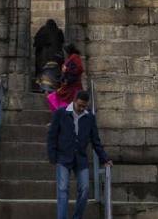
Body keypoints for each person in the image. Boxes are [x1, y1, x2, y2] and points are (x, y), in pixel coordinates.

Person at [47, 91, 111, 219]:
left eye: (84, 106)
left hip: (81, 159)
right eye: (80, 105)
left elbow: (95, 140)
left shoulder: (90, 117)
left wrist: (105, 158)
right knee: (63, 189)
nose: (82, 108)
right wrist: (52, 156)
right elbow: (52, 135)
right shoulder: (61, 113)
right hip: (63, 157)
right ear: (74, 101)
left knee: (85, 189)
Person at [47, 46, 83, 111]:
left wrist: (67, 69)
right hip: (68, 85)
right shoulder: (70, 58)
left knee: (68, 100)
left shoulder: (74, 57)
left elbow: (79, 69)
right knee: (57, 96)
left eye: (65, 51)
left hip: (73, 86)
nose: (64, 53)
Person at [33, 20, 65, 91]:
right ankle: (54, 88)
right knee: (53, 72)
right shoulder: (58, 31)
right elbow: (62, 42)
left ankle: (43, 88)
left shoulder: (42, 31)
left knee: (44, 71)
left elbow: (36, 42)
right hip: (56, 57)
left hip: (43, 57)